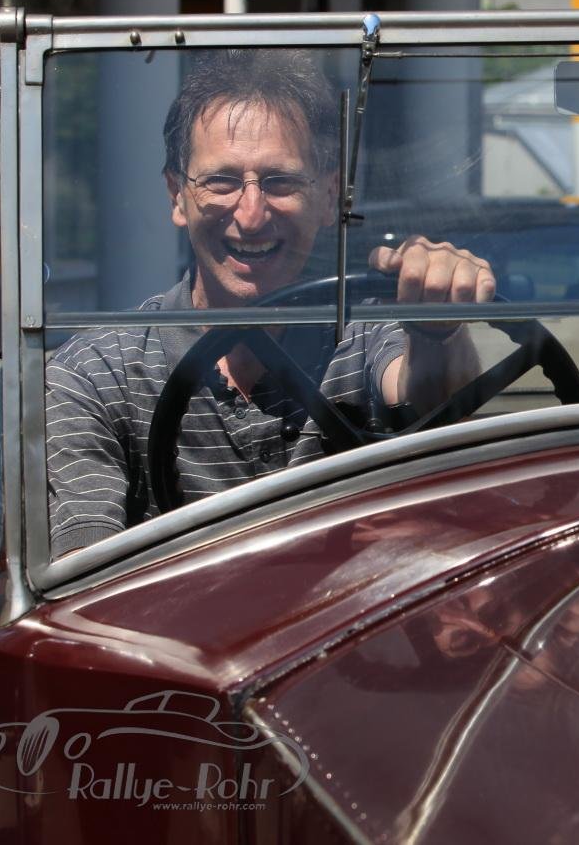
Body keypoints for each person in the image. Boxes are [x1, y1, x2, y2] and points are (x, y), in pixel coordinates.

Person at [46, 49, 495, 556]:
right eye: (221, 181)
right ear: (177, 196)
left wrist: (436, 326)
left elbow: (433, 401)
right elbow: (82, 573)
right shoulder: (96, 375)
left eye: (280, 181)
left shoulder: (363, 333)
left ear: (329, 196)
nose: (252, 215)